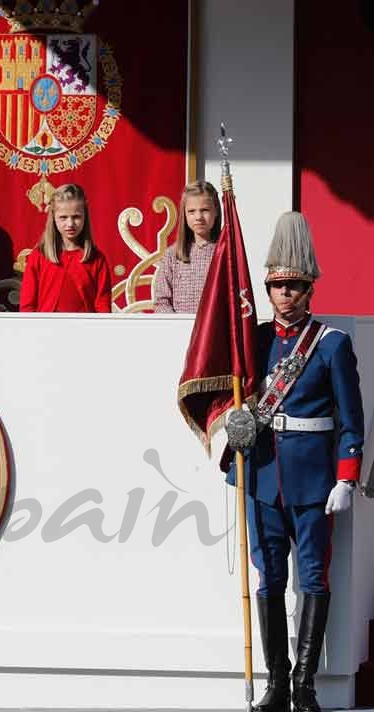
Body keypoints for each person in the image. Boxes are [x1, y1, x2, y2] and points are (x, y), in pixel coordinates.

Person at [224, 212, 363, 712]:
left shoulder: (331, 345)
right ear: (267, 288)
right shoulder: (252, 340)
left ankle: (305, 684)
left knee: (312, 577)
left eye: (295, 285)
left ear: (310, 288)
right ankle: (277, 684)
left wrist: (347, 476)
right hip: (262, 475)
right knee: (269, 580)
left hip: (312, 482)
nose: (285, 294)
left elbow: (352, 420)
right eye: (278, 285)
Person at [18, 183, 111, 313]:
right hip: (46, 330)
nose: (70, 224)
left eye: (76, 217)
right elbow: (27, 306)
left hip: (85, 331)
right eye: (63, 217)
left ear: (85, 216)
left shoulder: (96, 259)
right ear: (53, 217)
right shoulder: (39, 256)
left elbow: (103, 307)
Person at [153, 181, 221, 313]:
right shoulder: (172, 255)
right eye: (191, 211)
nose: (198, 217)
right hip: (179, 330)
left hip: (215, 330)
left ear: (216, 211)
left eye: (205, 210)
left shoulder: (226, 252)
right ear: (184, 214)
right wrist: (176, 325)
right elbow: (161, 300)